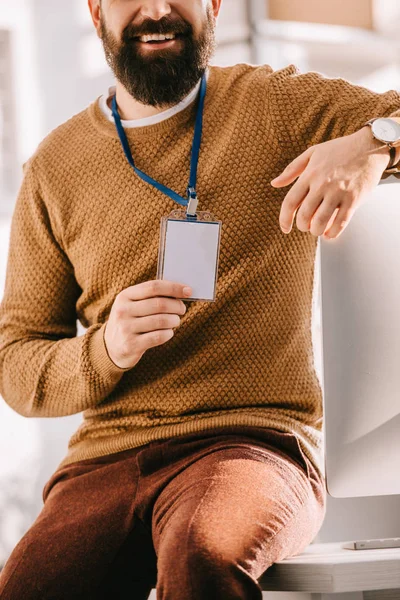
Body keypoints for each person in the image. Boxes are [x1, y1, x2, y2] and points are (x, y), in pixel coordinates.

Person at [0, 1, 400, 598]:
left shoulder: (274, 104)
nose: (158, 9)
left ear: (214, 5)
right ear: (95, 11)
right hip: (102, 462)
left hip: (253, 443)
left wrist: (375, 142)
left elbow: (388, 120)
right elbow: (16, 364)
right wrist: (105, 347)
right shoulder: (54, 170)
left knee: (202, 553)